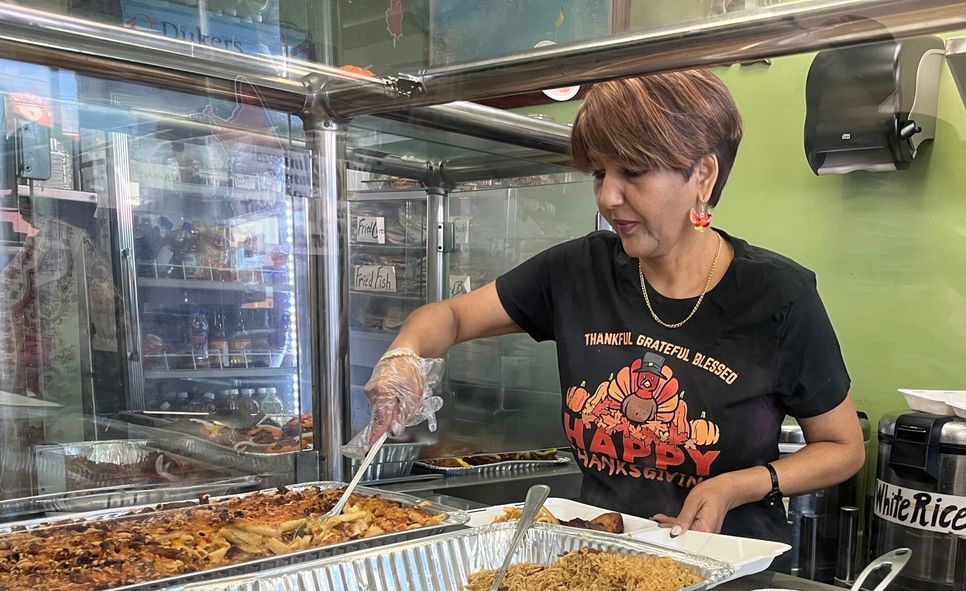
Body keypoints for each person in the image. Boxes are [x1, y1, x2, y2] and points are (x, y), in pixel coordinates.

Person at [364, 68, 864, 544]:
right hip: (603, 558)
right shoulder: (578, 271)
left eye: (634, 172)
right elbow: (448, 317)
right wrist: (404, 358)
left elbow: (843, 449)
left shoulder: (778, 295)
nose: (608, 196)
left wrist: (737, 485)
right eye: (600, 173)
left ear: (703, 174)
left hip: (726, 571)